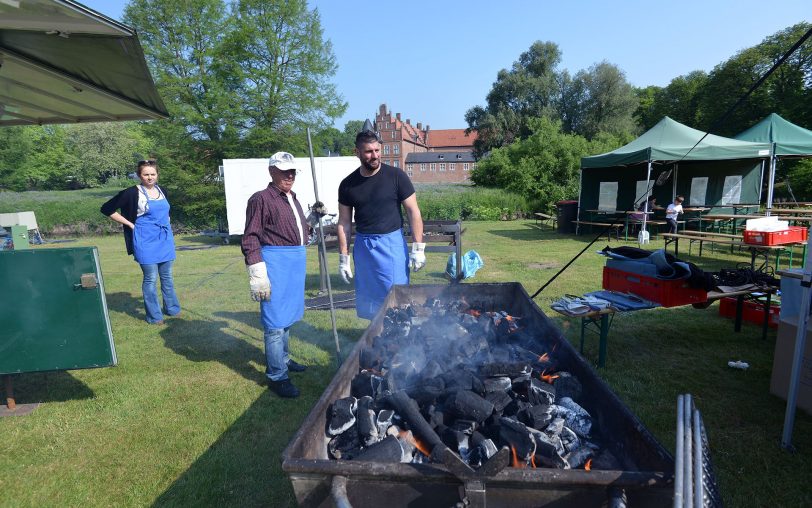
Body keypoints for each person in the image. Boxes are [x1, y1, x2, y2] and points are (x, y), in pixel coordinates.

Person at [241, 151, 316, 398]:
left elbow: (299, 231)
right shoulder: (260, 199)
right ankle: (276, 375)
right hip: (274, 263)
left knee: (287, 317)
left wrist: (313, 218)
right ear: (272, 171)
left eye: (292, 171)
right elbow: (250, 237)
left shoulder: (292, 198)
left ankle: (283, 359)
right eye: (285, 171)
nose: (290, 175)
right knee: (274, 322)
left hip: (294, 263)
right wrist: (257, 272)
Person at [337, 124, 425, 320]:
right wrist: (344, 258)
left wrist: (418, 248)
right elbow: (344, 222)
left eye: (377, 150)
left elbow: (413, 212)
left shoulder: (396, 177)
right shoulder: (347, 184)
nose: (375, 155)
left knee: (396, 296)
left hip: (391, 244)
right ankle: (375, 339)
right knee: (369, 299)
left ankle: (402, 337)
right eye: (369, 152)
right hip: (364, 246)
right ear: (357, 152)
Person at [101, 160, 181, 325]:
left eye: (153, 174)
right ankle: (154, 316)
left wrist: (167, 221)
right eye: (146, 174)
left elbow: (166, 212)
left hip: (164, 239)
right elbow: (107, 209)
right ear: (139, 176)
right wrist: (129, 224)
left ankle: (172, 309)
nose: (150, 177)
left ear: (157, 175)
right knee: (150, 278)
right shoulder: (132, 192)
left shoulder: (162, 190)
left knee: (167, 277)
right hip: (144, 240)